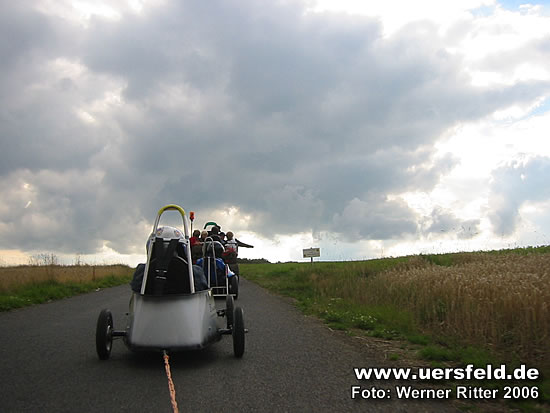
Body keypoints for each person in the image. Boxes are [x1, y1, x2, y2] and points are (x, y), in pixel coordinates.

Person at [130, 225, 208, 293]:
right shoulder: (194, 272)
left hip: (150, 305)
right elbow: (202, 292)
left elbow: (136, 291)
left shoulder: (143, 271)